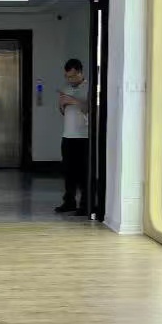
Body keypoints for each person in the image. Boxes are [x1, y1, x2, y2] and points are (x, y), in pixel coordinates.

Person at [55, 59, 90, 216]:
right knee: (68, 171)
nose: (70, 79)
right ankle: (69, 202)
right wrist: (61, 104)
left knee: (83, 172)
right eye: (67, 76)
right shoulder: (65, 87)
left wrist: (72, 100)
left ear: (80, 73)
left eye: (73, 76)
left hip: (84, 137)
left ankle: (86, 204)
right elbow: (63, 112)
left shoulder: (89, 87)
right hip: (67, 135)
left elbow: (90, 108)